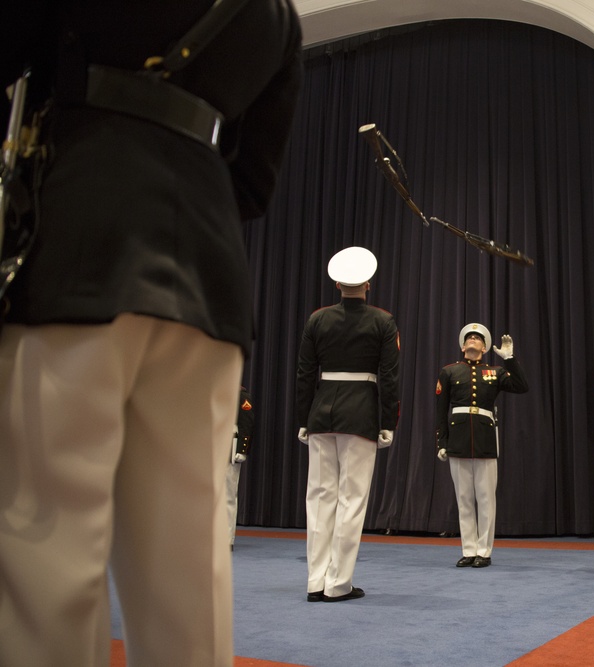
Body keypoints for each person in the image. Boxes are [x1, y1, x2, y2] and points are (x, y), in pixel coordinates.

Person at [0, 3, 301, 665]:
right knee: (188, 569)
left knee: (47, 554)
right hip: (206, 268)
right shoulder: (277, 15)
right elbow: (252, 183)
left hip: (79, 237)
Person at [295, 246, 400, 602]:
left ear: (337, 283)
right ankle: (338, 584)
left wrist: (303, 419)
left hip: (322, 414)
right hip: (361, 415)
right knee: (351, 500)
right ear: (367, 284)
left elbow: (305, 374)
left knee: (320, 498)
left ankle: (314, 581)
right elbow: (389, 377)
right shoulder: (382, 321)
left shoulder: (317, 319)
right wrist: (388, 421)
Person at [436, 323, 528, 568]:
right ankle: (468, 549)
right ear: (463, 345)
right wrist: (441, 441)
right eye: (469, 338)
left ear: (485, 347)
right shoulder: (449, 372)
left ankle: (484, 551)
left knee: (486, 498)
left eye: (478, 338)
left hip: (485, 439)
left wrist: (509, 359)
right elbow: (440, 410)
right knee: (464, 497)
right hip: (458, 438)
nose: (473, 340)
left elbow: (521, 386)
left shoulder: (495, 372)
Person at [228, 386, 255, 550]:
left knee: (228, 495)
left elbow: (247, 421)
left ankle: (226, 538)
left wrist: (242, 449)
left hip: (228, 444)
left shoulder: (239, 393)